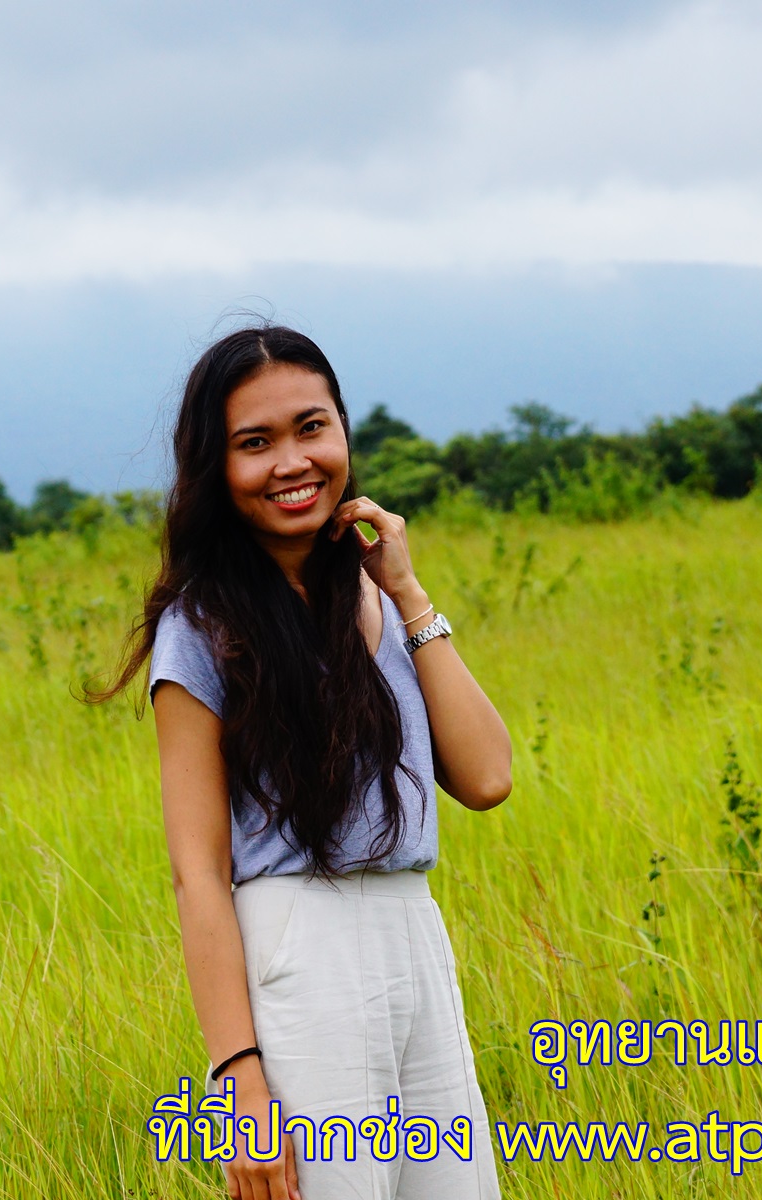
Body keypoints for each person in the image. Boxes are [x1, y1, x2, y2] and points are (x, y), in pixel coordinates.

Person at [97, 325, 512, 1200]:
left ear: (344, 435)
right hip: (300, 951)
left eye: (311, 428)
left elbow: (485, 779)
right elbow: (198, 872)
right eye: (256, 444)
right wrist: (237, 1079)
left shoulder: (375, 593)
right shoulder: (202, 627)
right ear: (217, 469)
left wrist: (408, 592)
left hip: (414, 938)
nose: (292, 462)